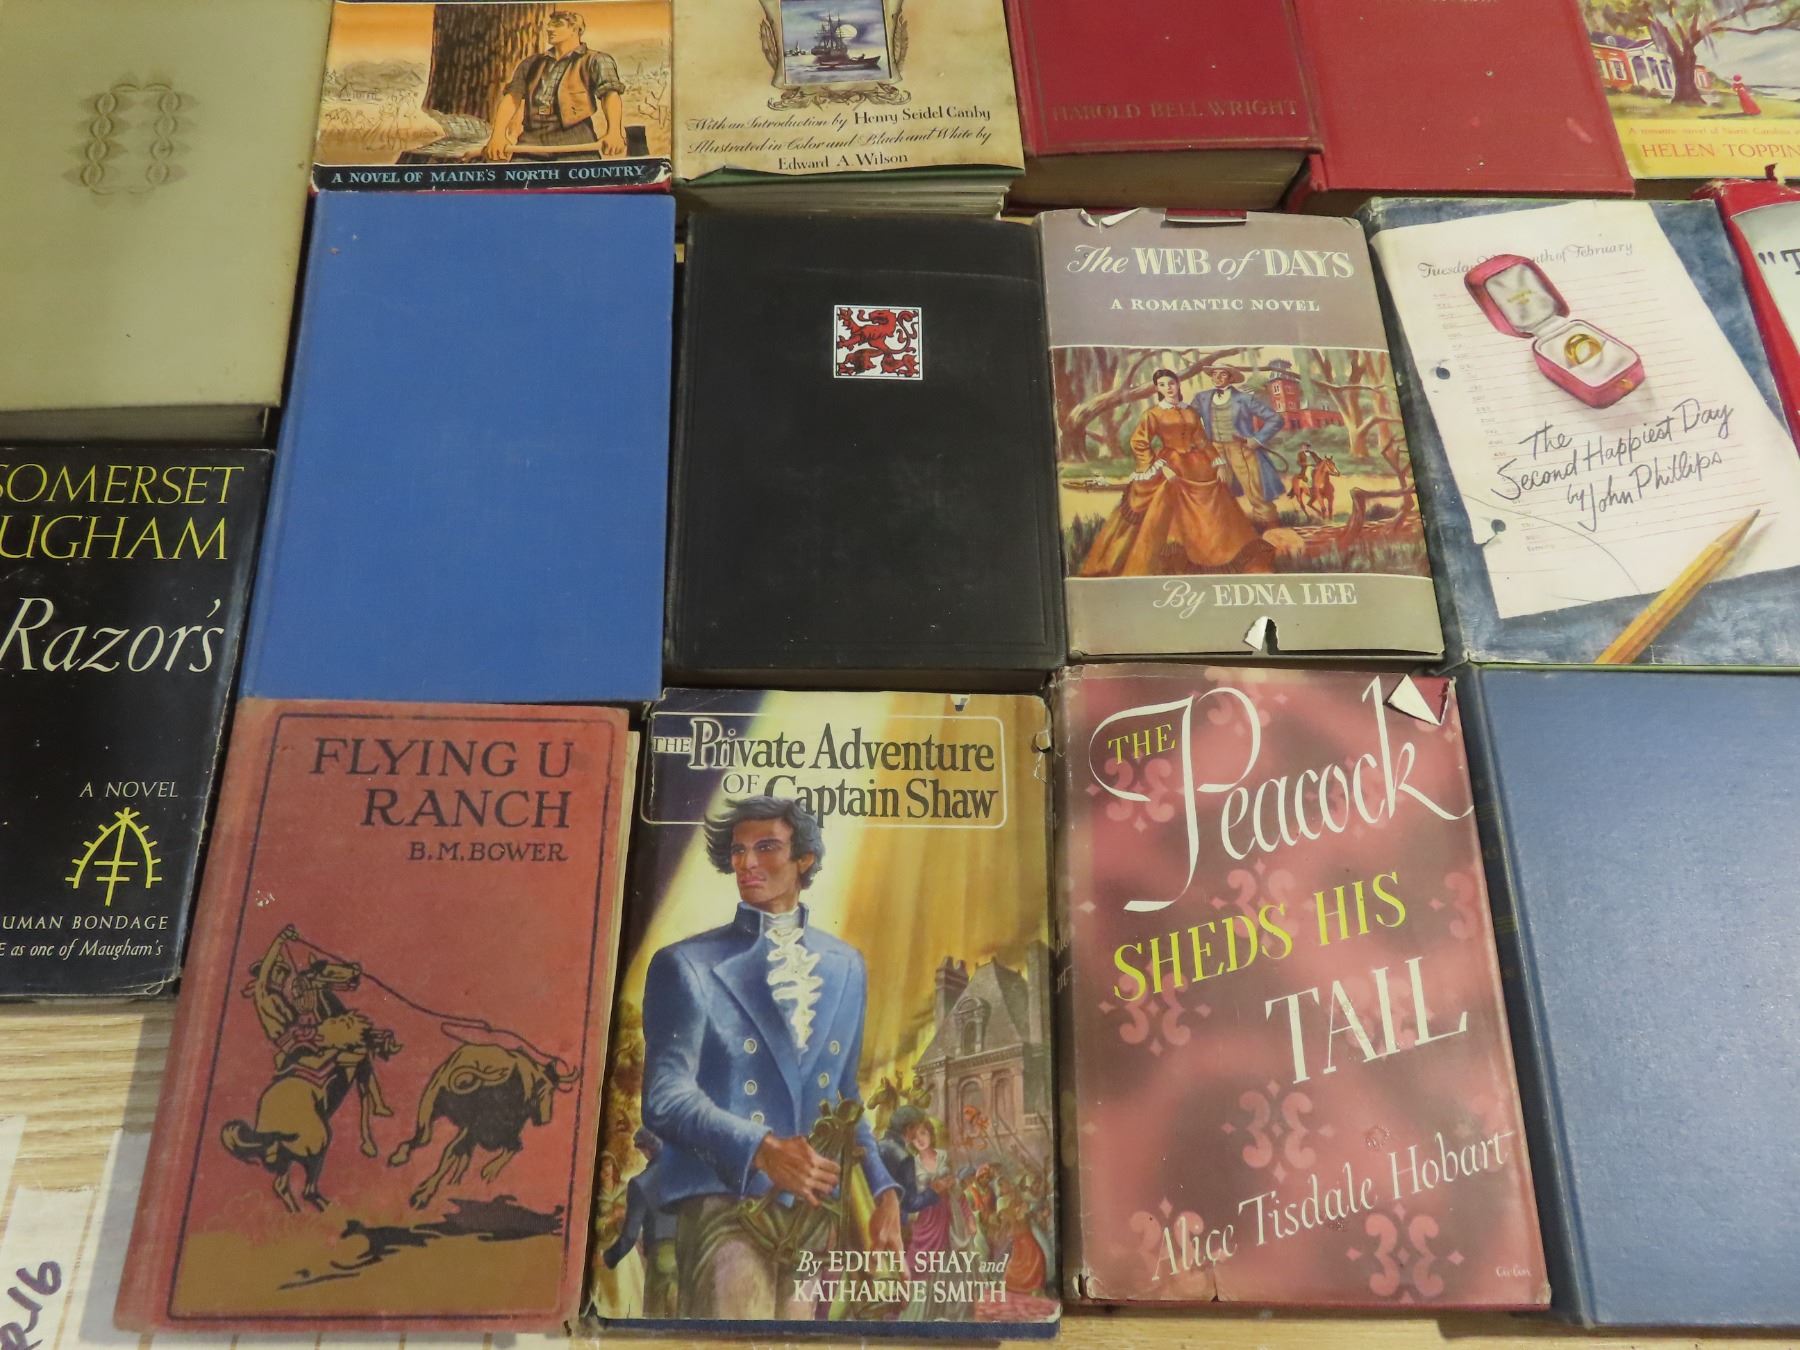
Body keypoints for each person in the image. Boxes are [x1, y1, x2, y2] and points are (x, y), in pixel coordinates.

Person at [637, 796, 901, 1321]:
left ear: (804, 859)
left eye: (766, 848)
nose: (746, 863)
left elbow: (844, 1097)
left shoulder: (847, 966)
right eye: (738, 851)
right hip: (725, 1205)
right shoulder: (686, 964)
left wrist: (883, 1191)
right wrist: (761, 1148)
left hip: (809, 1215)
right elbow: (665, 1096)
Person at [1077, 369, 1274, 578]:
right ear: (1158, 389)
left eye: (1170, 383)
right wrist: (1161, 467)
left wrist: (1218, 462)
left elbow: (1201, 440)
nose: (1168, 388)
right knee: (1165, 498)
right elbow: (1139, 442)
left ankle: (1214, 554)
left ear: (1178, 384)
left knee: (1216, 503)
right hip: (1169, 464)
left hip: (1197, 464)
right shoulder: (1153, 414)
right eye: (1162, 385)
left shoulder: (1190, 411)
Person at [472, 10, 627, 162]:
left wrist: (614, 132)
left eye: (557, 24)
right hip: (531, 141)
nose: (549, 28)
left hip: (576, 140)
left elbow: (610, 95)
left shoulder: (597, 60)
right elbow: (512, 98)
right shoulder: (530, 63)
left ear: (575, 30)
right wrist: (498, 135)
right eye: (549, 24)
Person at [1198, 366, 1286, 527]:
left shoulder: (1245, 399)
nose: (1217, 377)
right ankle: (1224, 528)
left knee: (1254, 488)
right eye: (1214, 374)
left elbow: (1276, 419)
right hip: (1214, 450)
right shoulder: (1202, 398)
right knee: (1217, 488)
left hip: (1241, 448)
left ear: (1231, 378)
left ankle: (1270, 525)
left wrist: (1256, 439)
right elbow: (1190, 419)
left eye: (1222, 374)